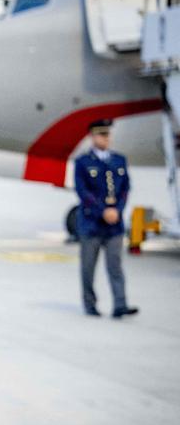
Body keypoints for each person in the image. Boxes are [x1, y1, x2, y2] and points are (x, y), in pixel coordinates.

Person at [74, 119, 139, 318]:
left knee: (115, 266)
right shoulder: (83, 162)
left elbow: (125, 189)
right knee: (88, 268)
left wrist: (117, 210)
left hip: (114, 225)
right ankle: (89, 304)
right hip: (92, 223)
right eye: (102, 135)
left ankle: (120, 304)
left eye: (108, 135)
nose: (106, 138)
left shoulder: (119, 160)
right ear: (92, 137)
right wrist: (103, 210)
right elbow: (83, 192)